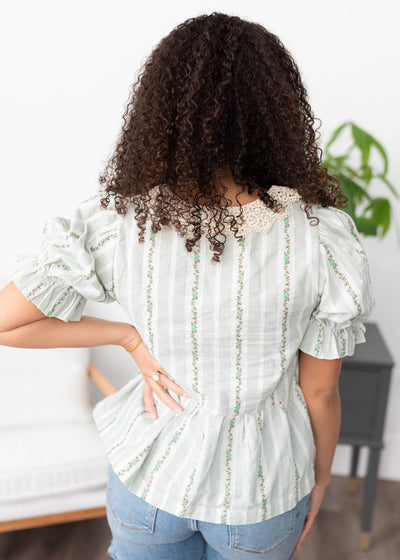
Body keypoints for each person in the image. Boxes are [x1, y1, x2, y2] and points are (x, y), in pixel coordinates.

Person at [0, 11, 375, 560]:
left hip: (151, 476)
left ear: (161, 110)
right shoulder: (320, 237)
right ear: (275, 114)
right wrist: (318, 481)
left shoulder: (119, 223)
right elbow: (320, 393)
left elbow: (8, 322)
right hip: (264, 489)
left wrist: (126, 336)